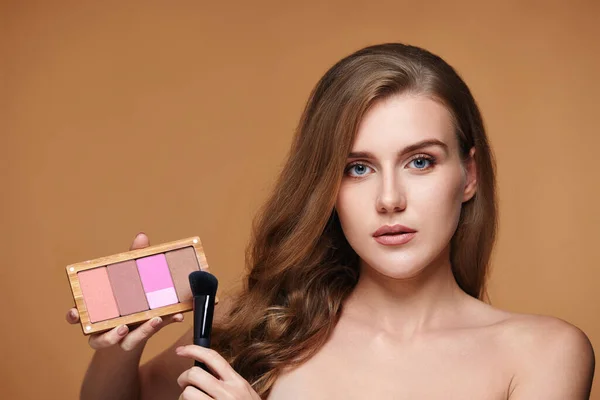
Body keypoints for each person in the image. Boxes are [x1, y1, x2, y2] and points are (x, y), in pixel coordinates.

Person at [66, 43, 595, 399]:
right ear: (328, 187)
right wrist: (121, 347)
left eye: (420, 162)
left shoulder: (542, 354)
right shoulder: (259, 327)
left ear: (469, 175)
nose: (390, 199)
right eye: (357, 168)